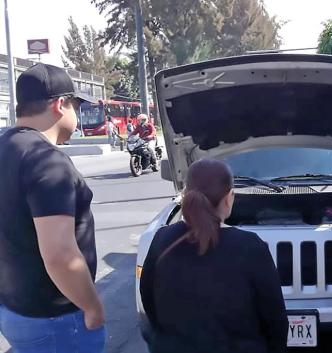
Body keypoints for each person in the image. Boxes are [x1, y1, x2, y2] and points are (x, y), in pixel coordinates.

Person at [0, 63, 105, 352]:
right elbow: (60, 255)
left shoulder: (4, 146)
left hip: (15, 309)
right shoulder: (47, 161)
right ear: (60, 105)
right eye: (75, 106)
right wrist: (92, 305)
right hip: (56, 319)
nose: (77, 115)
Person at [140, 159, 288, 353]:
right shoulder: (251, 247)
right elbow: (275, 319)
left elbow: (148, 301)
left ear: (185, 194)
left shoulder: (162, 238)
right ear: (229, 198)